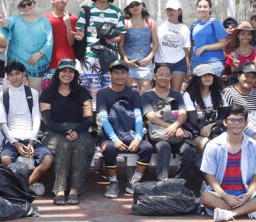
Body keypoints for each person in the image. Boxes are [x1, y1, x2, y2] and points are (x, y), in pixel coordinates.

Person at [200, 104, 256, 222]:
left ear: (246, 124)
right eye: (232, 120)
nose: (236, 123)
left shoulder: (255, 146)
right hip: (221, 193)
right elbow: (210, 176)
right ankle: (252, 211)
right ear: (225, 122)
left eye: (240, 120)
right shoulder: (213, 145)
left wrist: (248, 195)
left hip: (245, 193)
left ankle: (231, 214)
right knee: (206, 197)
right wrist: (225, 196)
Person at [96, 62, 154, 197]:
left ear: (128, 75)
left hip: (131, 135)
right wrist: (115, 139)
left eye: (123, 73)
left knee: (147, 148)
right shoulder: (102, 93)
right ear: (110, 75)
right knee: (109, 149)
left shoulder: (133, 93)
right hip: (110, 137)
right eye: (116, 72)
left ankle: (134, 181)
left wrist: (138, 138)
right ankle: (113, 182)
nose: (120, 76)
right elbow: (103, 118)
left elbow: (139, 116)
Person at [41, 59, 94, 205]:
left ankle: (74, 190)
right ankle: (59, 190)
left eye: (71, 71)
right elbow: (46, 119)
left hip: (80, 130)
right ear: (58, 73)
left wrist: (77, 131)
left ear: (75, 74)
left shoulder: (83, 92)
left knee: (80, 145)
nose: (67, 74)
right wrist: (63, 131)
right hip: (54, 131)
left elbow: (89, 118)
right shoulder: (48, 92)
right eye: (64, 70)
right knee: (63, 145)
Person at [0, 61, 52, 196]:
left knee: (48, 159)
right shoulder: (1, 95)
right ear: (7, 77)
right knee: (5, 160)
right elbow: (2, 122)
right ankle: (23, 186)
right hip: (12, 139)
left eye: (18, 74)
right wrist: (15, 143)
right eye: (11, 75)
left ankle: (26, 184)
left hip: (31, 137)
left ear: (24, 74)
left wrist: (32, 141)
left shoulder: (32, 93)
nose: (15, 77)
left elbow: (35, 117)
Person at [142, 63, 197, 183]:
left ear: (171, 77)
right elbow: (151, 117)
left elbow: (183, 114)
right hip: (159, 135)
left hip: (177, 135)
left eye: (167, 75)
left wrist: (176, 126)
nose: (164, 78)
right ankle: (163, 182)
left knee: (189, 150)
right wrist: (172, 127)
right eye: (160, 75)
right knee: (164, 146)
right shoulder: (147, 95)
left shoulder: (176, 94)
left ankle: (178, 181)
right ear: (154, 76)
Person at [75, 0, 126, 94]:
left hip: (110, 56)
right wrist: (79, 36)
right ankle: (89, 111)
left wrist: (112, 40)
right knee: (88, 87)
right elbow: (79, 31)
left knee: (109, 87)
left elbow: (121, 35)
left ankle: (104, 111)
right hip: (90, 55)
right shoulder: (86, 10)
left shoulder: (117, 12)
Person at [0, 0, 53, 89]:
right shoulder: (15, 19)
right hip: (17, 63)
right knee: (17, 93)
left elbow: (50, 41)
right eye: (23, 5)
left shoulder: (44, 21)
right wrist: (2, 22)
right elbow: (7, 23)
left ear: (34, 3)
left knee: (35, 94)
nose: (26, 7)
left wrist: (39, 54)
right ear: (19, 8)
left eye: (29, 3)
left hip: (37, 62)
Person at [119, 0, 158, 93]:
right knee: (126, 93)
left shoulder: (150, 22)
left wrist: (149, 58)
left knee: (144, 95)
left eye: (137, 4)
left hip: (145, 63)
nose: (135, 7)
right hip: (128, 63)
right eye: (131, 6)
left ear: (142, 5)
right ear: (128, 9)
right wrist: (126, 61)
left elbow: (156, 44)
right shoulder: (124, 23)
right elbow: (120, 45)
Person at [222, 63, 256, 144]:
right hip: (236, 130)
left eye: (253, 77)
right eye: (246, 76)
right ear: (238, 76)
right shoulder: (228, 93)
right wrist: (251, 134)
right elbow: (230, 119)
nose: (249, 79)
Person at [182, 63, 224, 153]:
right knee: (208, 144)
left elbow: (223, 116)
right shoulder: (189, 95)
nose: (207, 78)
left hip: (215, 128)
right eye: (203, 76)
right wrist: (203, 129)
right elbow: (192, 119)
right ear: (197, 79)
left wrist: (210, 126)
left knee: (222, 143)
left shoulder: (219, 94)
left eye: (210, 75)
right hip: (196, 131)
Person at [153, 0, 191, 92]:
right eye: (168, 10)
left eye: (173, 10)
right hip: (161, 63)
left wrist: (187, 70)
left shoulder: (184, 29)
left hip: (178, 64)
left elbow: (186, 52)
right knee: (160, 93)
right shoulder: (159, 24)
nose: (170, 12)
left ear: (179, 11)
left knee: (175, 94)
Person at [189, 0, 230, 80]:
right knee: (198, 90)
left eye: (205, 7)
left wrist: (204, 47)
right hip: (196, 62)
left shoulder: (215, 22)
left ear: (210, 8)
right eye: (200, 7)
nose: (202, 9)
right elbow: (192, 45)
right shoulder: (194, 25)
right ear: (197, 9)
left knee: (212, 89)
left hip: (214, 63)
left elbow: (223, 43)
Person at [224, 21, 256, 89]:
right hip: (242, 89)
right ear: (238, 36)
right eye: (243, 34)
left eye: (249, 34)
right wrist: (237, 68)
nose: (246, 37)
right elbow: (234, 78)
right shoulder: (233, 56)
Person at [44, 0, 78, 74]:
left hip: (68, 63)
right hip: (50, 63)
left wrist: (68, 24)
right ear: (52, 0)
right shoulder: (44, 19)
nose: (61, 0)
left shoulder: (73, 19)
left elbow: (71, 42)